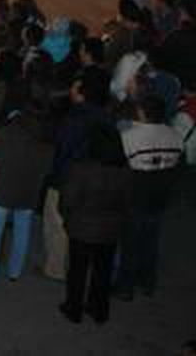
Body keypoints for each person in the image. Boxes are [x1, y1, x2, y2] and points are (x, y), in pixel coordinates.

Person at [60, 126, 132, 324]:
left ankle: (73, 309)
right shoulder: (125, 171)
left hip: (82, 228)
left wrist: (67, 217)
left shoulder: (81, 169)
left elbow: (69, 200)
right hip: (110, 230)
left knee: (77, 270)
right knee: (103, 271)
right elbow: (128, 202)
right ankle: (98, 309)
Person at [0, 102, 54, 285]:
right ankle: (14, 271)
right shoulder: (46, 142)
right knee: (22, 231)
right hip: (29, 192)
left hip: (3, 190)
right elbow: (47, 169)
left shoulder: (5, 134)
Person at [117, 94, 183, 300]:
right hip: (160, 195)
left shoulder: (130, 135)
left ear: (142, 112)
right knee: (150, 241)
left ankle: (125, 287)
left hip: (136, 194)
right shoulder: (174, 135)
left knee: (130, 243)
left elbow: (121, 163)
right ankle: (147, 282)